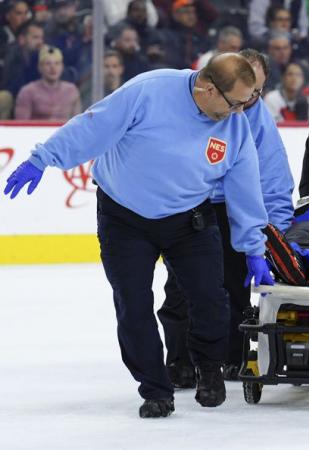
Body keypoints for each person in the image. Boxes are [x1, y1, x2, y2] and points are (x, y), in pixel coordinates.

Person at [3, 53, 273, 418]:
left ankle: (209, 368)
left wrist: (253, 247)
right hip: (124, 219)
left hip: (189, 219)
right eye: (236, 102)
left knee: (211, 298)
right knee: (133, 306)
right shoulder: (149, 92)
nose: (241, 111)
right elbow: (91, 127)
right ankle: (155, 389)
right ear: (208, 88)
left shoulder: (234, 125)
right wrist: (43, 158)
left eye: (247, 102)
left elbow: (245, 189)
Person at [158, 49, 295, 386]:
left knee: (232, 289)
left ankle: (230, 358)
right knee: (179, 289)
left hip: (236, 210)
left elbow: (274, 180)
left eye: (257, 92)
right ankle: (179, 361)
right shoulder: (190, 105)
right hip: (190, 204)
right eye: (245, 88)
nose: (248, 99)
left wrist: (277, 235)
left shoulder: (259, 121)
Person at [14, 45, 81, 120]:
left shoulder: (71, 91)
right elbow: (21, 125)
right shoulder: (27, 92)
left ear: (62, 67)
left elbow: (77, 124)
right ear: (40, 67)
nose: (53, 67)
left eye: (57, 63)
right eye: (48, 63)